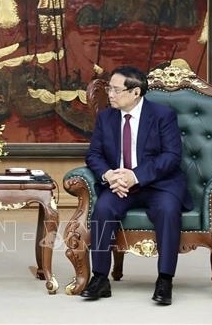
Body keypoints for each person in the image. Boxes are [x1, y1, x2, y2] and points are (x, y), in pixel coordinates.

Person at [80, 65, 192, 305]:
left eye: (115, 89)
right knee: (103, 209)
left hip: (159, 184)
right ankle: (100, 278)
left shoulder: (162, 115)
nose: (110, 94)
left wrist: (136, 176)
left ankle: (165, 280)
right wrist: (109, 176)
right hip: (119, 185)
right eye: (109, 89)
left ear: (135, 92)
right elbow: (94, 155)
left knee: (168, 210)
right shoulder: (106, 117)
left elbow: (171, 156)